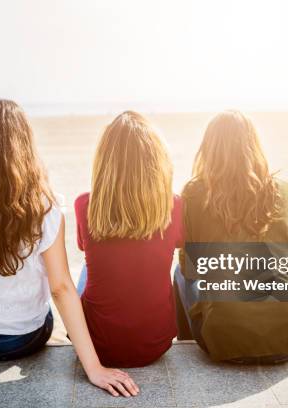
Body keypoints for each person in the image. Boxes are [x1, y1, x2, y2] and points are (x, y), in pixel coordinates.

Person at [0, 100, 138, 397]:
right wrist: (94, 368)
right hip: (21, 338)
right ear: (24, 144)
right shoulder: (45, 205)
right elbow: (61, 288)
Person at [175, 110, 288, 363]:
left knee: (179, 273)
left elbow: (190, 270)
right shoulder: (287, 188)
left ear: (209, 148)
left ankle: (186, 343)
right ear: (254, 145)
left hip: (223, 342)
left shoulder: (195, 193)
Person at [74, 111, 183, 368]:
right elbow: (179, 243)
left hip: (98, 346)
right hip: (156, 344)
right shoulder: (174, 205)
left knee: (87, 271)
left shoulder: (84, 204)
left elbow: (82, 245)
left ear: (104, 161)